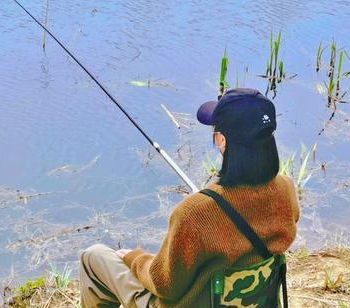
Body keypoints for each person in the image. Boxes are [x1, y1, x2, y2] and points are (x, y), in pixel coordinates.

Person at [79, 88, 300, 307]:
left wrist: (135, 258)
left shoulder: (195, 212)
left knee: (93, 257)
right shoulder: (286, 189)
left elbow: (164, 284)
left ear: (221, 139)